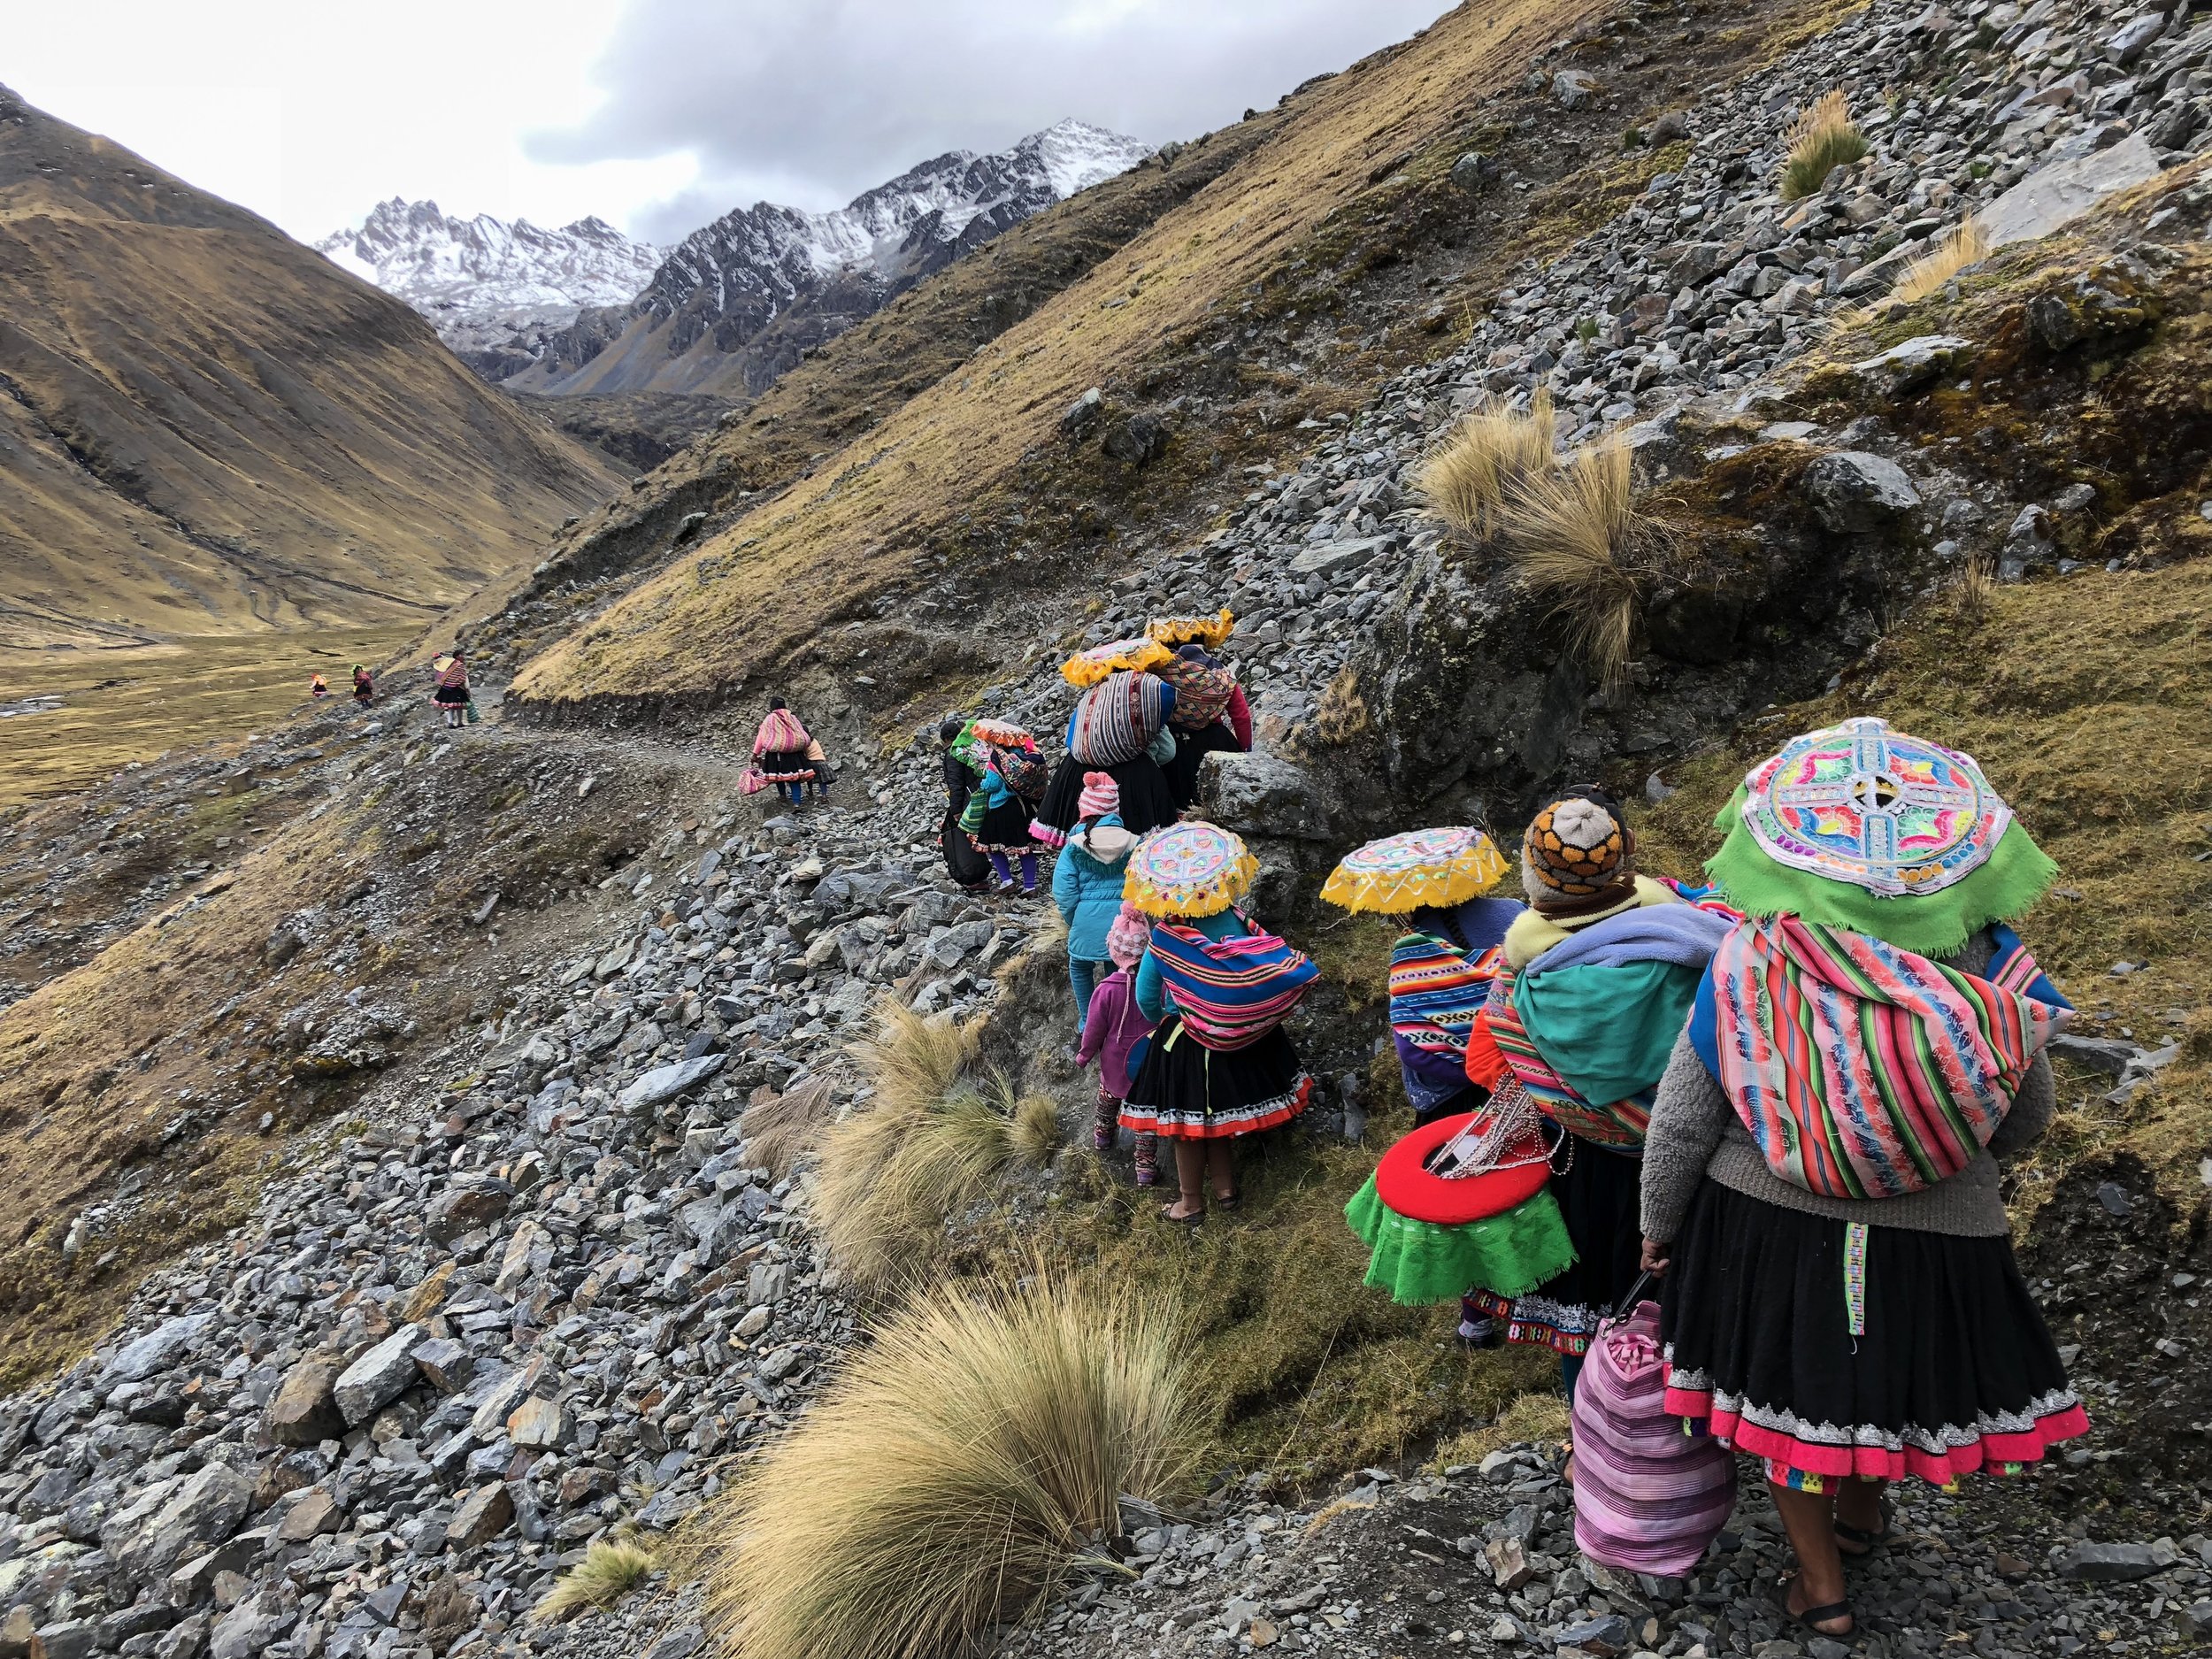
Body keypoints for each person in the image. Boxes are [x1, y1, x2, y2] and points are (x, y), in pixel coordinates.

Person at [1639, 718, 2083, 1640]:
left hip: (1764, 1215)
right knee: (1877, 1373)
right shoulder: (1990, 959)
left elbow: (1686, 1115)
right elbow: (2029, 1112)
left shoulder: (1752, 956)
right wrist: (1934, 1158)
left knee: (1786, 1391)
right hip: (1940, 1227)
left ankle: (1820, 1587)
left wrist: (1660, 1224)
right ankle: (1865, 1512)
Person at [1465, 788, 1727, 1403]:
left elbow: (1495, 1064)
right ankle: (1685, 1435)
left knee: (1583, 1319)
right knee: (1679, 1305)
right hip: (1686, 1165)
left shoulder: (1516, 980)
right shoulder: (1697, 944)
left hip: (1581, 1168)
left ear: (1534, 878)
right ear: (1625, 859)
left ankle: (1589, 1440)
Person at [1121, 829, 1317, 1225]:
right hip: (1247, 1039)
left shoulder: (1166, 938)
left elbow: (1145, 997)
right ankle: (1226, 1189)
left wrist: (1169, 1018)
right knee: (1220, 1116)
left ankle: (1190, 1202)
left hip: (1190, 1039)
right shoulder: (1240, 920)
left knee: (1186, 1127)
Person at [1032, 670, 1181, 846]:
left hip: (1077, 772)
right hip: (1134, 777)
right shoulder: (1145, 705)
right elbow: (1168, 752)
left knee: (1084, 839)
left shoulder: (1091, 697)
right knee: (1138, 841)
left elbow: (1071, 739)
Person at [1078, 902, 1161, 1186]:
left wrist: (1084, 1055)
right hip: (1148, 1062)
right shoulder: (1158, 986)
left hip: (1114, 1064)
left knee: (1108, 1098)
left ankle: (1103, 1135)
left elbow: (1093, 1030)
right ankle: (1146, 1169)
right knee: (1145, 1118)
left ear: (1114, 951)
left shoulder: (1105, 991)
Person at [1052, 772, 1137, 1019]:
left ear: (1085, 810)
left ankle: (1088, 1021)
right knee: (1118, 971)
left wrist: (1073, 920)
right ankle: (1118, 1020)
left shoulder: (1075, 845)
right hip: (1124, 925)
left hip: (1085, 921)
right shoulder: (1135, 842)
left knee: (1079, 967)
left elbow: (1064, 892)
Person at [1156, 642, 1253, 809]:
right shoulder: (1222, 680)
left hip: (1176, 749)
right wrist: (1246, 752)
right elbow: (1241, 717)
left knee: (1184, 806)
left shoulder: (1165, 678)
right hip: (1217, 743)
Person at [963, 727, 1048, 895]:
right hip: (1022, 807)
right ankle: (1029, 886)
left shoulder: (997, 757)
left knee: (993, 847)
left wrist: (982, 783)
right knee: (1025, 847)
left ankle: (1007, 881)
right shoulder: (1023, 756)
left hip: (1000, 809)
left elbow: (992, 784)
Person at [937, 718, 993, 892]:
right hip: (985, 794)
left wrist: (955, 811)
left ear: (946, 739)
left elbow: (956, 785)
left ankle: (974, 875)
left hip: (969, 801)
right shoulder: (969, 747)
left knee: (964, 837)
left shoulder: (952, 754)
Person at [752, 698, 817, 806]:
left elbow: (761, 737)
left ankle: (783, 796)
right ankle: (797, 803)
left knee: (778, 776)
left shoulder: (770, 719)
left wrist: (755, 753)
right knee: (794, 779)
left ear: (772, 707)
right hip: (795, 754)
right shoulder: (792, 717)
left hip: (776, 755)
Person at [433, 654, 470, 728]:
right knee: (458, 706)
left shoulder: (447, 666)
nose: (463, 656)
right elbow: (463, 677)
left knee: (452, 707)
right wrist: (467, 689)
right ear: (457, 657)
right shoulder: (459, 665)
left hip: (447, 687)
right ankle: (458, 722)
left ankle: (452, 723)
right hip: (458, 688)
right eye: (461, 655)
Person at [805, 734, 833, 803]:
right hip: (821, 761)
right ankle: (824, 795)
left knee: (809, 778)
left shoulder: (804, 742)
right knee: (822, 781)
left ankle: (810, 791)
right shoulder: (814, 740)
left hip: (811, 762)